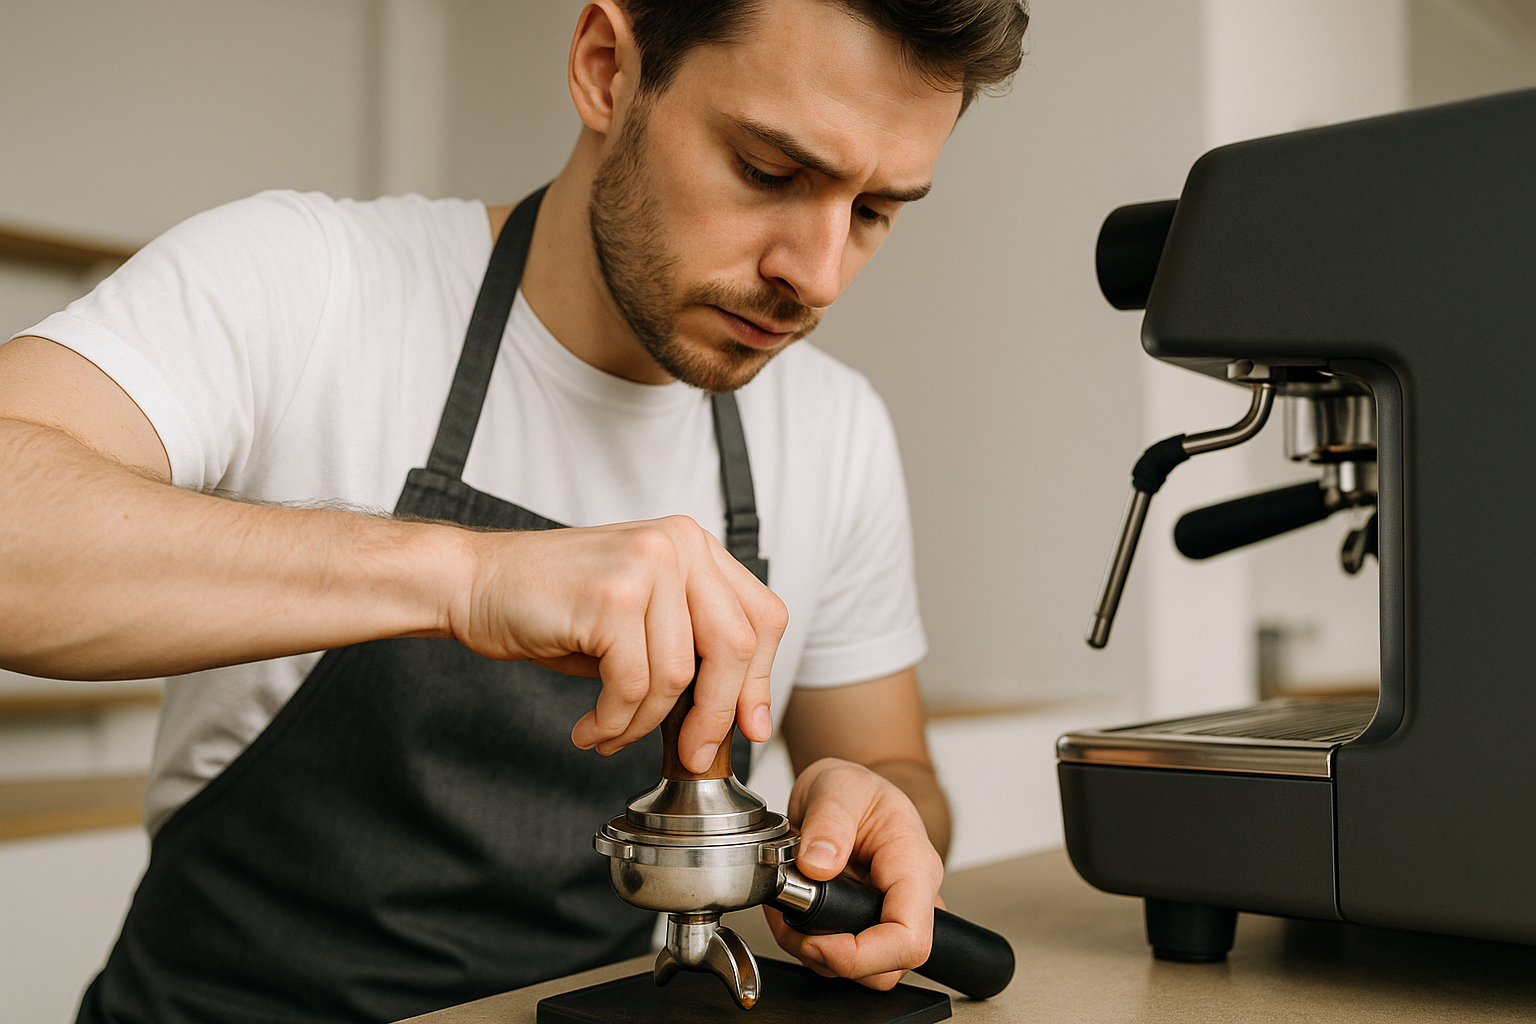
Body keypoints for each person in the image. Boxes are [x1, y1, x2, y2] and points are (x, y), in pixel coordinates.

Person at [0, 1, 1029, 1021]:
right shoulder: (308, 281)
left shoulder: (835, 428)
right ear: (606, 68)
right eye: (768, 171)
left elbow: (895, 768)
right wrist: (470, 576)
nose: (816, 274)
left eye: (875, 210)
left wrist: (872, 820)